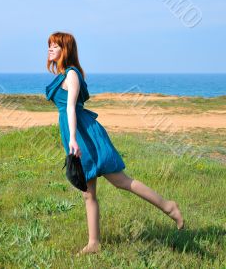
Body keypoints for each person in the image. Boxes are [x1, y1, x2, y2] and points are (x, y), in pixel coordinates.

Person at [45, 31, 184, 256]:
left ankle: (169, 207)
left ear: (66, 50)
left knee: (121, 181)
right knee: (88, 192)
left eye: (55, 46)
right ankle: (94, 243)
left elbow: (70, 107)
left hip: (84, 135)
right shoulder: (64, 75)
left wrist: (72, 138)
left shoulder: (71, 74)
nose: (50, 49)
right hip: (77, 133)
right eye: (49, 45)